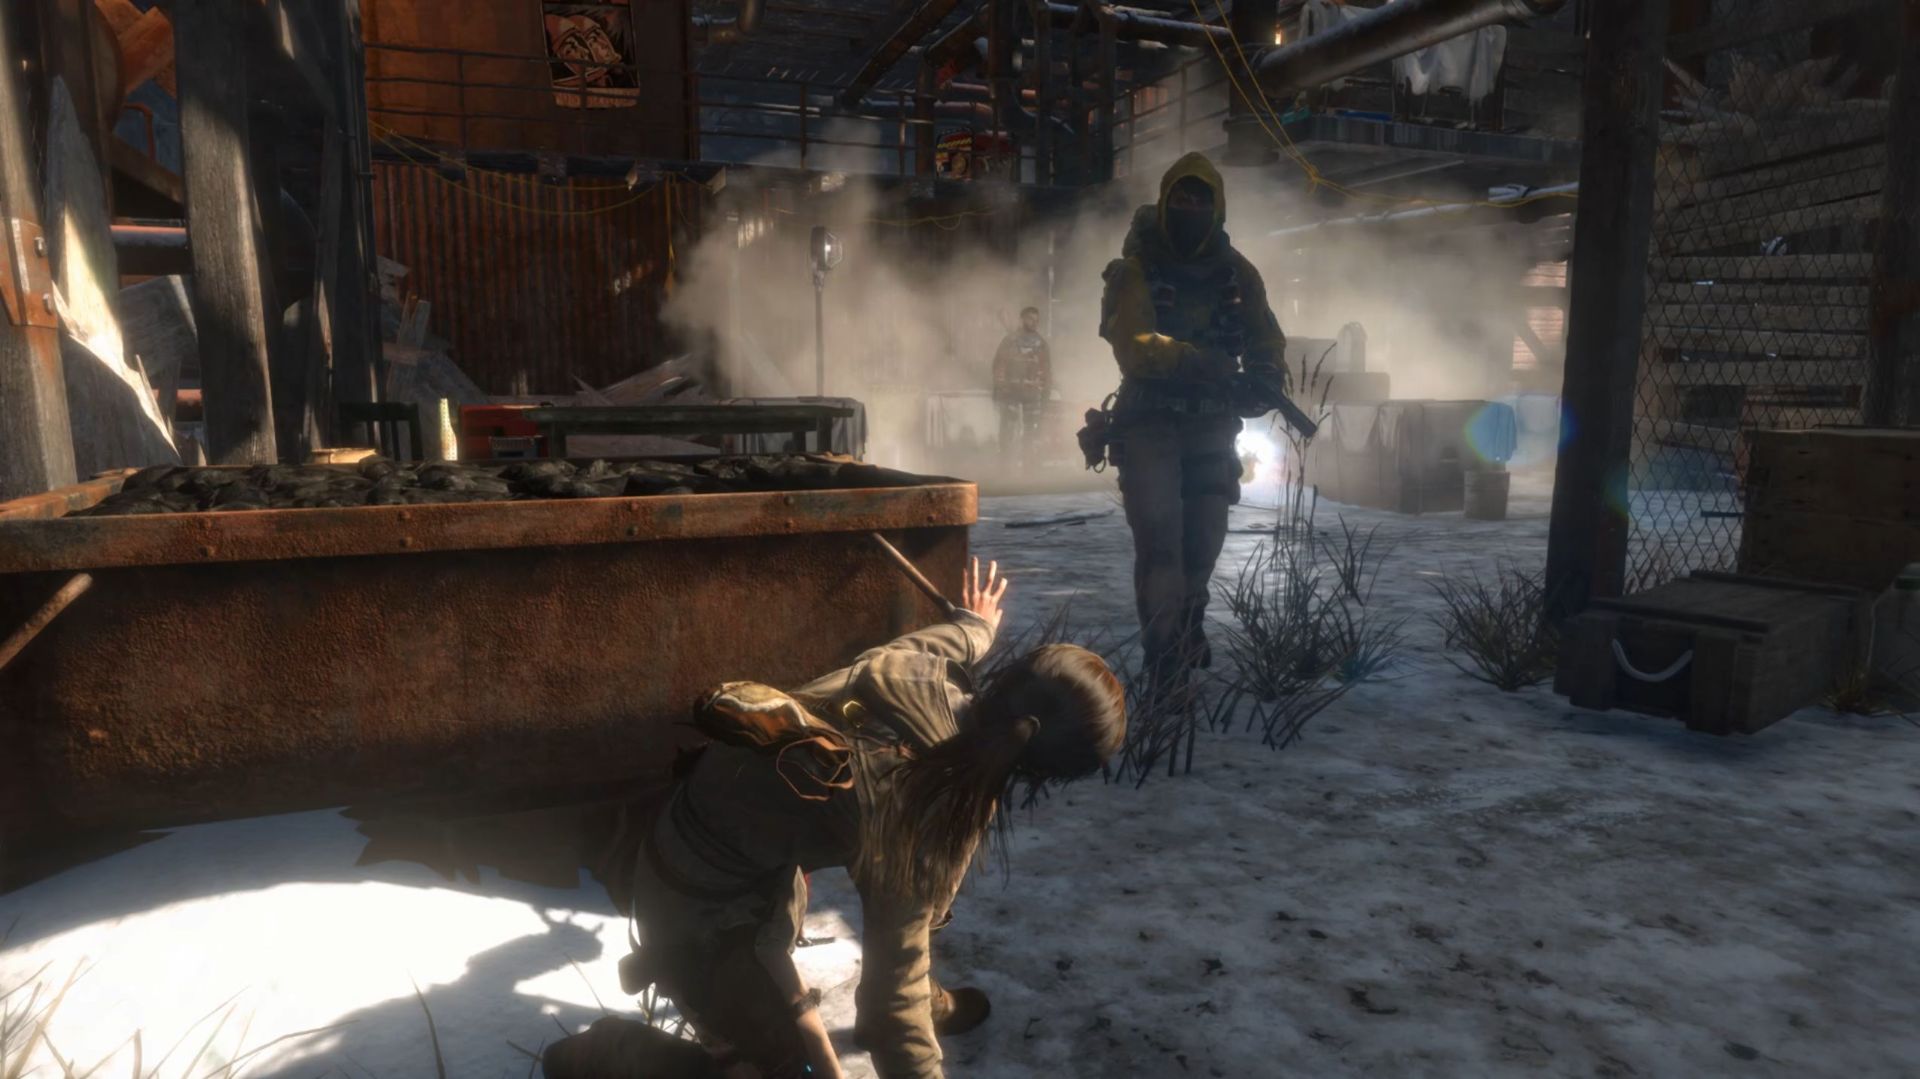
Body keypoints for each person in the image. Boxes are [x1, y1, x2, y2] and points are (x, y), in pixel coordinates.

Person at [543, 559, 1127, 1079]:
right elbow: (893, 1005)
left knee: (906, 920)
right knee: (787, 1070)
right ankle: (611, 1055)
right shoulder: (922, 813)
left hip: (714, 849)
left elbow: (947, 643)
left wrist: (975, 627)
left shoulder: (913, 669)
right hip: (699, 918)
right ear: (1046, 773)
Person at [1097, 152, 1290, 695]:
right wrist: (1196, 361)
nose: (1190, 208)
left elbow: (1265, 334)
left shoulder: (1237, 272)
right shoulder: (1136, 271)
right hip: (1150, 422)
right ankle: (1163, 663)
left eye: (1200, 199)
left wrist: (1265, 374)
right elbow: (1135, 346)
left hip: (1211, 425)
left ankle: (1188, 617)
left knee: (1203, 542)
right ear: (1165, 202)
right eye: (1181, 198)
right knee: (1160, 545)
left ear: (1216, 206)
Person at [991, 306, 1053, 465]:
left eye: (1036, 320)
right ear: (1022, 319)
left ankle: (1029, 465)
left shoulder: (1041, 343)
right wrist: (1000, 387)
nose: (1034, 322)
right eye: (1030, 319)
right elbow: (999, 364)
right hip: (1011, 391)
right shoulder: (1010, 340)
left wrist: (1045, 392)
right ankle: (1005, 464)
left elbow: (1046, 369)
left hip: (1033, 392)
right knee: (1008, 430)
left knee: (1031, 431)